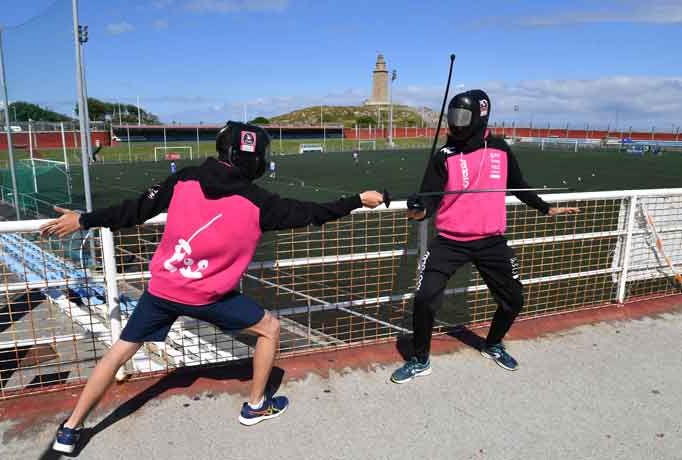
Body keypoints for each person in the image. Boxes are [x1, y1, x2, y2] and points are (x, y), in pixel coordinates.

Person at [41, 121, 383, 454]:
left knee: (118, 352)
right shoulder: (260, 202)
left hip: (163, 290)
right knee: (270, 329)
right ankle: (254, 407)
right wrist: (357, 199)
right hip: (210, 298)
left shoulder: (184, 178)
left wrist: (82, 219)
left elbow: (133, 210)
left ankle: (70, 429)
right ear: (257, 160)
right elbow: (313, 212)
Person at [390, 90, 579, 384]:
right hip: (450, 241)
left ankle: (492, 344)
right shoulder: (444, 155)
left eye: (462, 116)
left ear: (480, 116)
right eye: (453, 116)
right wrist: (416, 211)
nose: (456, 122)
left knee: (514, 299)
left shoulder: (501, 149)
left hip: (491, 241)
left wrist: (545, 208)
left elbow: (518, 184)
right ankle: (420, 359)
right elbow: (427, 204)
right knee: (426, 298)